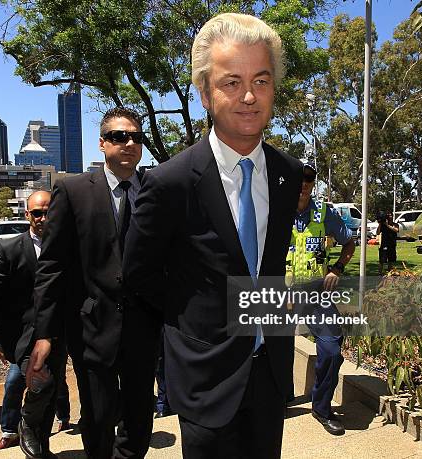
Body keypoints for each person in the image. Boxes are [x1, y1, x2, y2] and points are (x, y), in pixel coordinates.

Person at [123, 13, 303, 459]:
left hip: (271, 374)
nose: (248, 96)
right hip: (206, 378)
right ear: (204, 92)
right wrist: (199, 321)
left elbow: (269, 268)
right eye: (231, 82)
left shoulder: (288, 175)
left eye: (261, 81)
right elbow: (139, 276)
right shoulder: (169, 183)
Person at [26, 107, 161, 459]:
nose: (129, 143)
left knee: (139, 420)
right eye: (119, 136)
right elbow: (52, 265)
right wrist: (44, 334)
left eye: (136, 137)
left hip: (143, 329)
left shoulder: (155, 190)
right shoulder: (72, 191)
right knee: (98, 419)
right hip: (91, 328)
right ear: (102, 143)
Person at [0, 191, 72, 452]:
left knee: (54, 388)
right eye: (37, 213)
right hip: (25, 336)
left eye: (48, 212)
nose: (43, 218)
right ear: (27, 215)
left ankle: (41, 448)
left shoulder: (68, 246)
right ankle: (24, 423)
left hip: (60, 331)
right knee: (41, 382)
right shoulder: (8, 249)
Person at [286, 162, 355, 435]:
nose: (304, 183)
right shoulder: (276, 209)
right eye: (300, 178)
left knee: (331, 349)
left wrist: (337, 268)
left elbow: (349, 243)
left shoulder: (325, 213)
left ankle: (322, 408)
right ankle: (277, 400)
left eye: (309, 179)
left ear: (314, 182)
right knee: (268, 350)